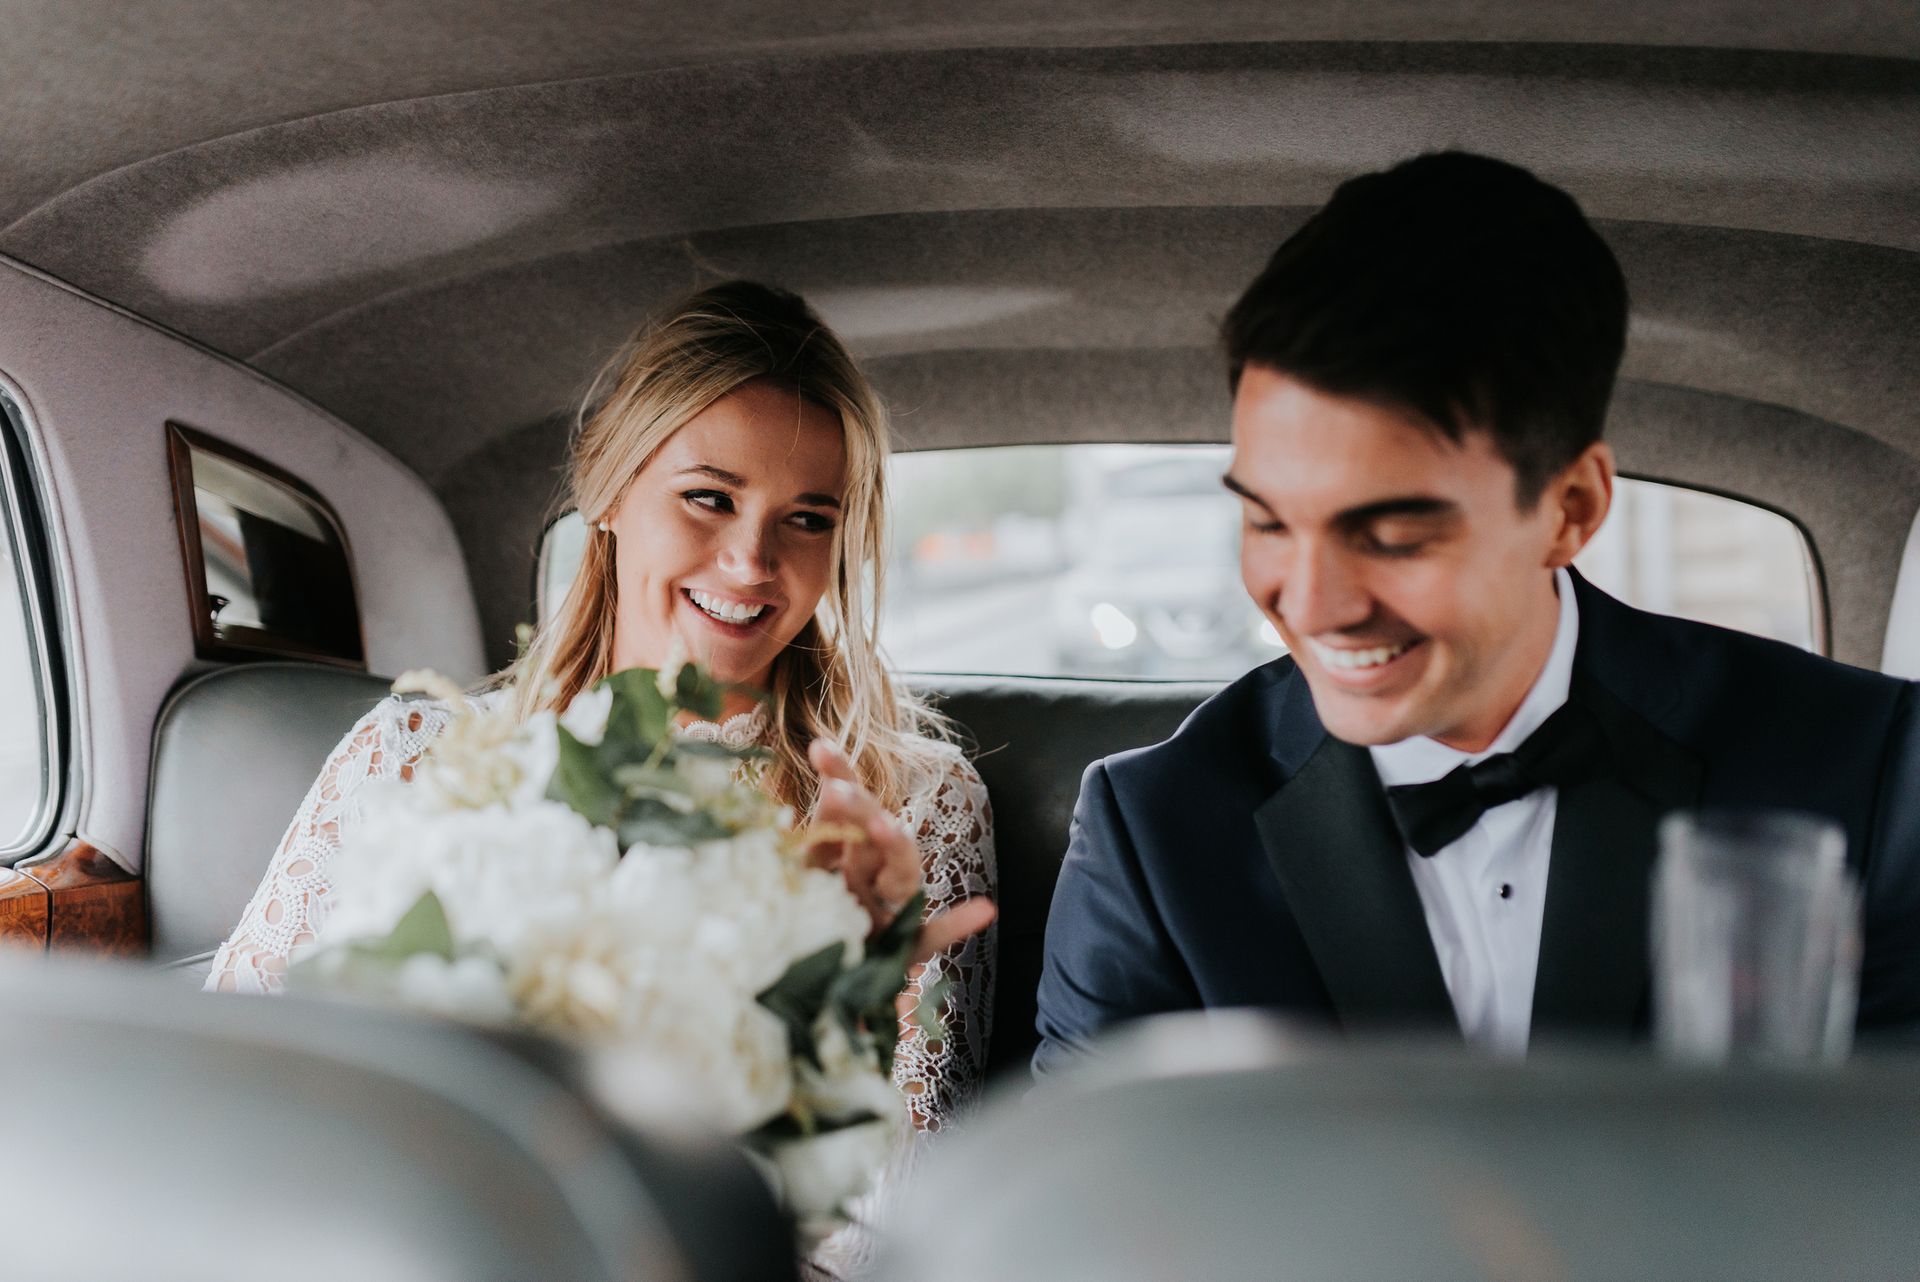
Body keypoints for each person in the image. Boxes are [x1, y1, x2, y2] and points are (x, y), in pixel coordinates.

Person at [1036, 151, 1920, 1068]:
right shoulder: (1155, 836)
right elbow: (1092, 1202)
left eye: (1392, 535)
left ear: (1571, 510)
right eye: (1266, 521)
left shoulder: (1870, 775)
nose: (1311, 603)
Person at [205, 280, 998, 1271]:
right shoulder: (410, 752)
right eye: (710, 497)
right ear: (609, 492)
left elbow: (896, 1227)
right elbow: (235, 1073)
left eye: (808, 518)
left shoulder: (912, 803)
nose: (752, 559)